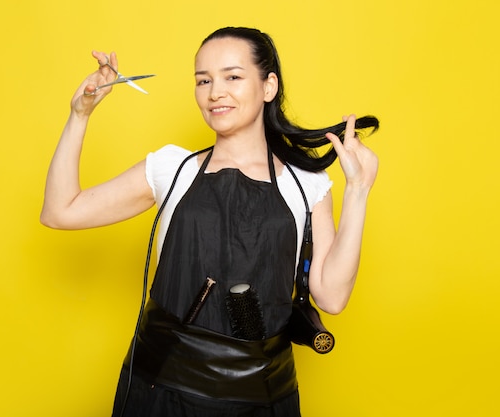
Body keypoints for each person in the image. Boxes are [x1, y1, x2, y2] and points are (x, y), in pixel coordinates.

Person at [41, 27, 379, 417]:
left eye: (232, 77)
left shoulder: (307, 184)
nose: (215, 92)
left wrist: (358, 190)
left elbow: (332, 297)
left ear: (269, 86)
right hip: (160, 392)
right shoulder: (171, 168)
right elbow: (59, 211)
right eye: (204, 80)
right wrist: (79, 115)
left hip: (262, 400)